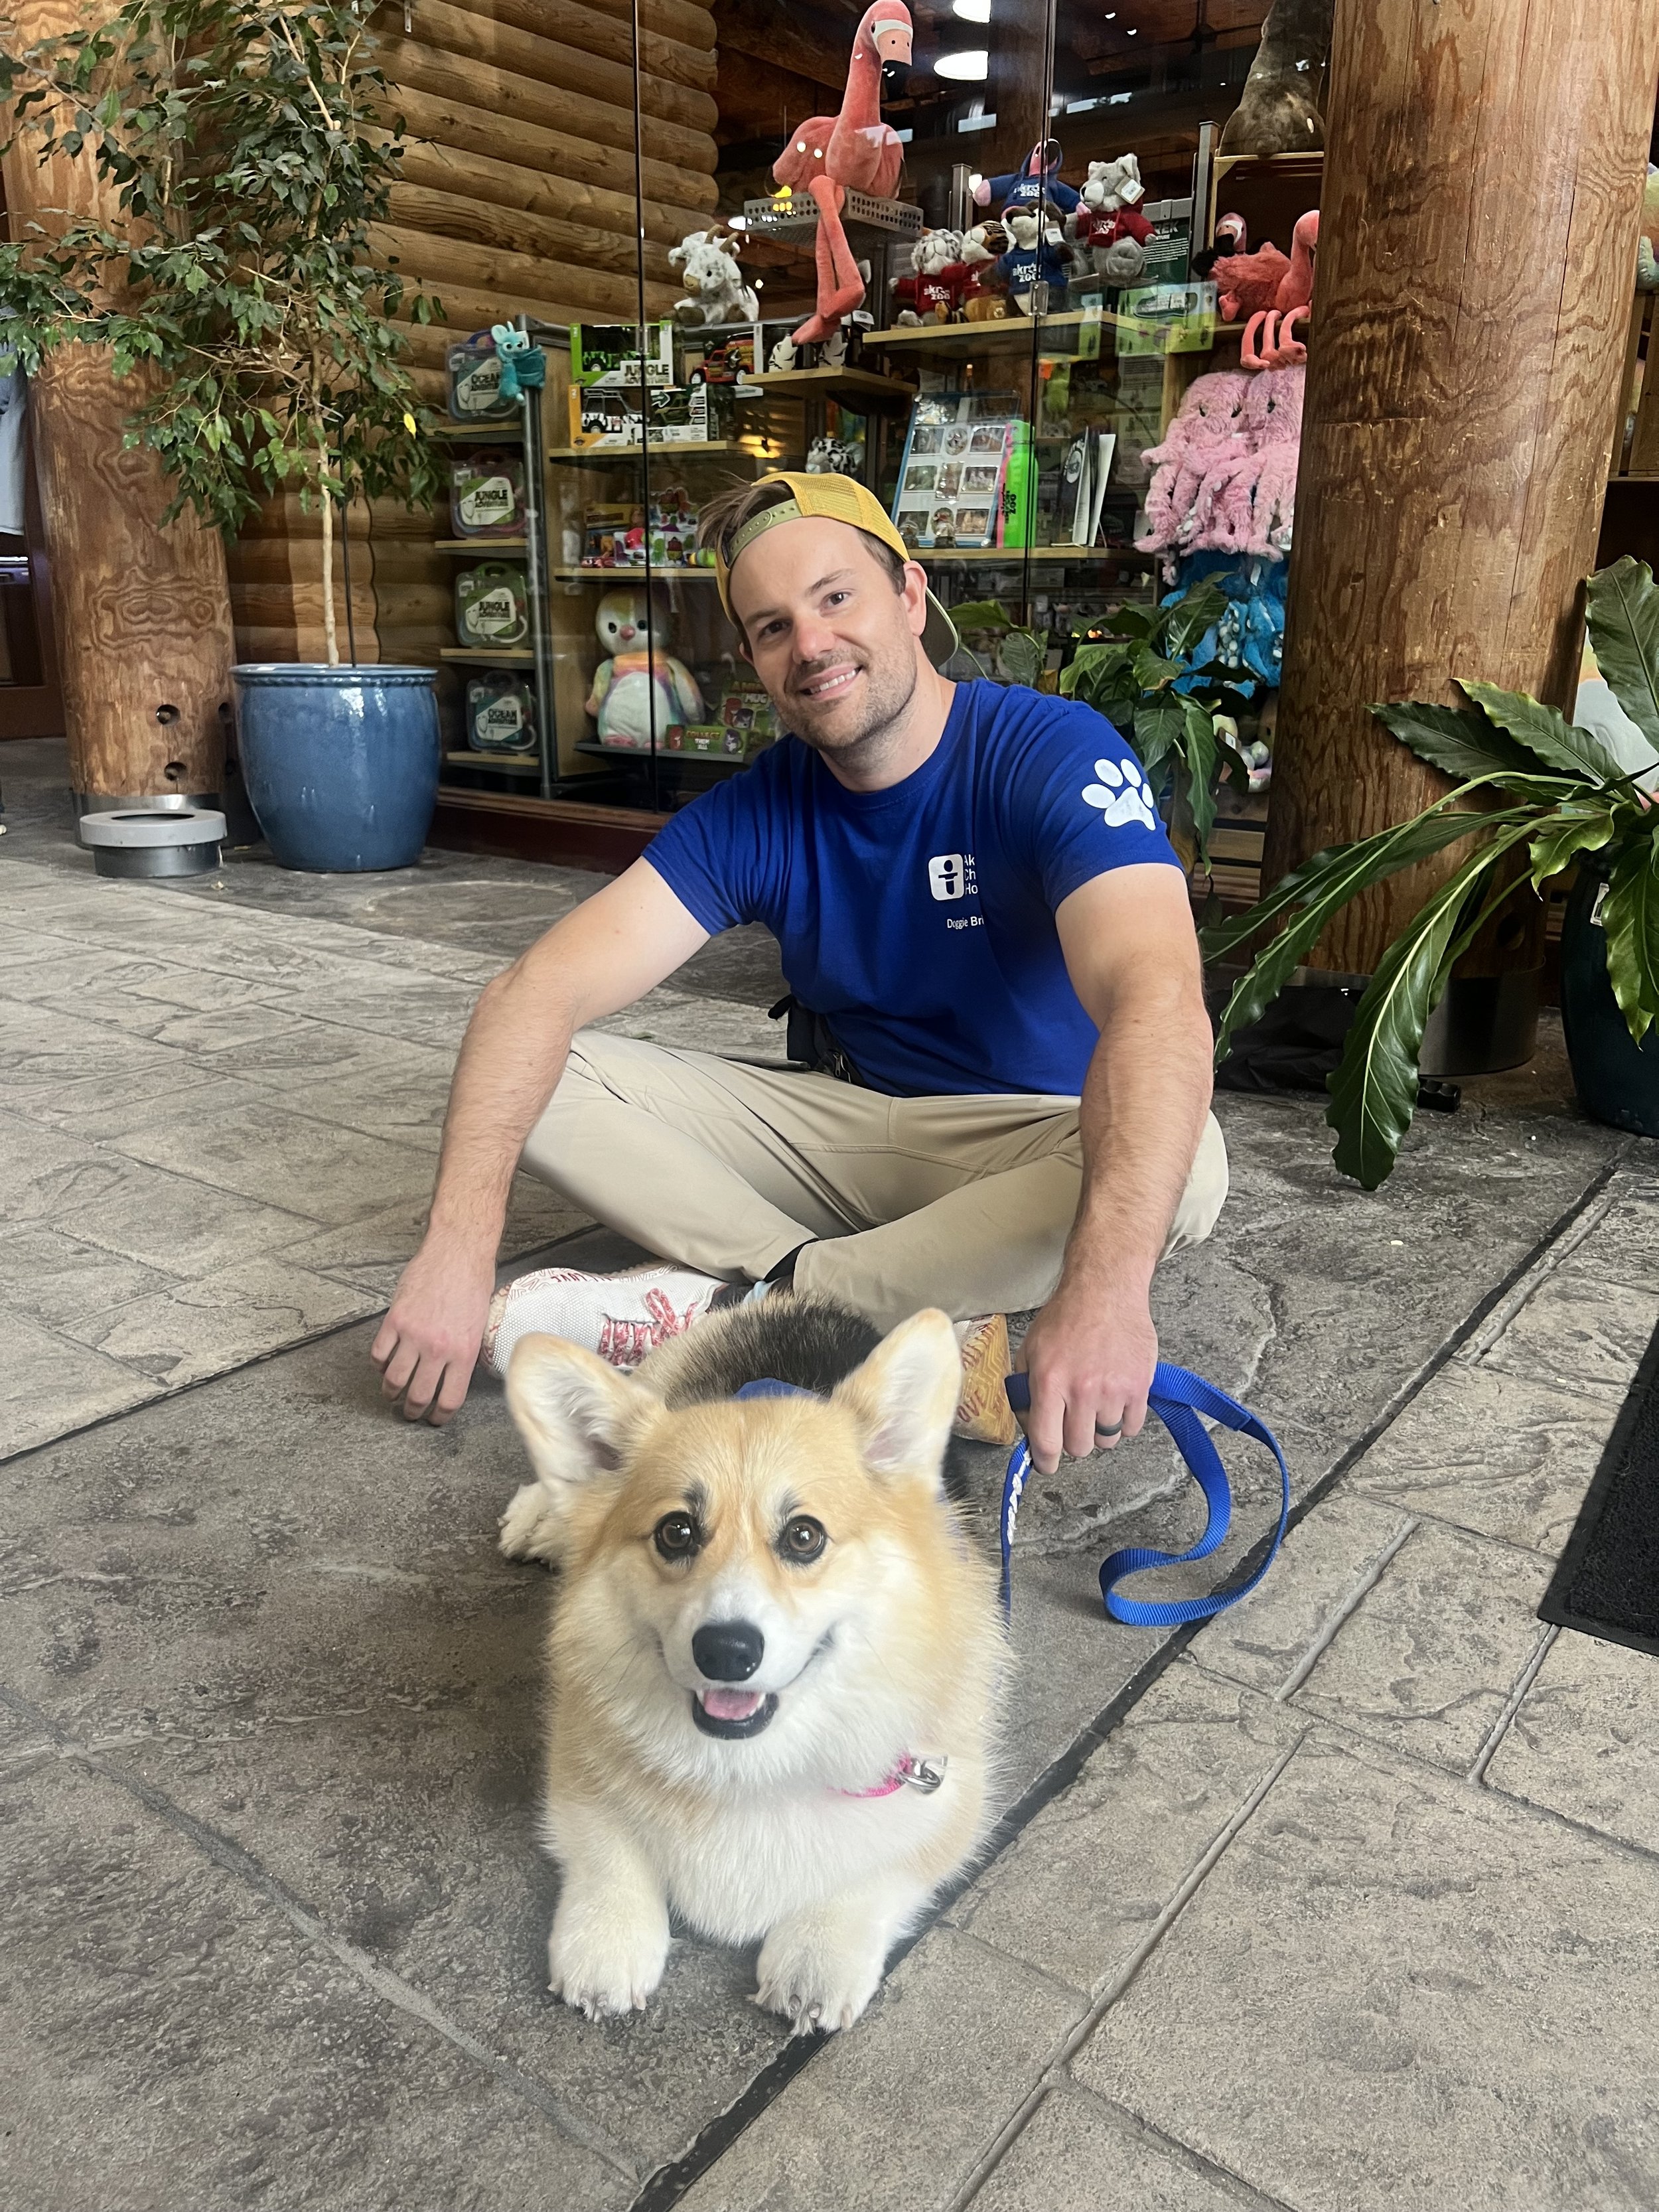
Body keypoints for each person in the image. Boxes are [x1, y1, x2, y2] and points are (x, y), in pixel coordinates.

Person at [372, 471, 1226, 1478]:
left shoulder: (1044, 753)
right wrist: (461, 1245)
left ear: (909, 597)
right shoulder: (761, 807)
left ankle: (744, 1309)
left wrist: (1108, 1285)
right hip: (844, 1129)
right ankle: (824, 1309)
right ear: (751, 659)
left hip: (1022, 1138)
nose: (811, 644)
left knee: (1190, 1163)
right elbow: (534, 991)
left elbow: (1158, 999)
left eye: (835, 598)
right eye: (773, 627)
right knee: (542, 1068)